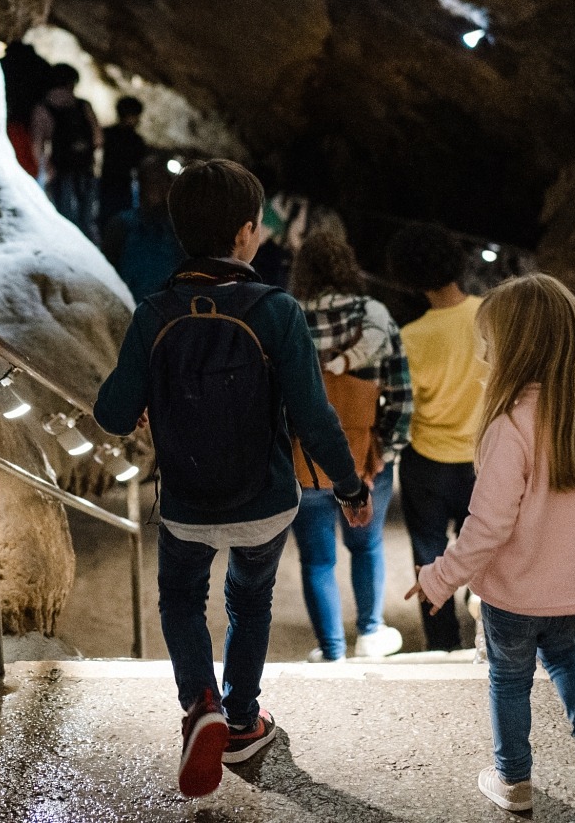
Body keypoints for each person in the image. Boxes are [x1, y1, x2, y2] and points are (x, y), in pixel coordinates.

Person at [94, 159, 371, 799]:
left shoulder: (154, 313)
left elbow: (110, 413)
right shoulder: (276, 311)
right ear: (247, 233)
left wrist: (142, 400)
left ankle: (201, 703)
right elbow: (315, 418)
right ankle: (243, 721)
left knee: (181, 598)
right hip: (266, 501)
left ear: (179, 231)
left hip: (187, 504)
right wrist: (350, 488)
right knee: (250, 600)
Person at [406, 273, 575, 812]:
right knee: (566, 657)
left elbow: (487, 528)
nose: (483, 352)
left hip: (513, 597)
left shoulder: (510, 427)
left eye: (488, 342)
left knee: (509, 681)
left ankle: (513, 781)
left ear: (515, 349)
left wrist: (438, 578)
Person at [287, 231, 412, 663]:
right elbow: (399, 392)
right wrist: (386, 451)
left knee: (316, 561)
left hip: (302, 459)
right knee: (366, 544)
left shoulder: (288, 317)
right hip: (364, 457)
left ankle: (331, 650)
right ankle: (371, 634)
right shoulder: (373, 316)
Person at [385, 222, 486, 652]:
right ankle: (491, 635)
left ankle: (442, 646)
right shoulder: (490, 316)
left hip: (426, 463)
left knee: (429, 559)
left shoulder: (409, 337)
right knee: (485, 554)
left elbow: (400, 407)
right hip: (485, 460)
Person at [30, 64, 102, 241]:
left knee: (63, 218)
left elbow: (38, 144)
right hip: (85, 169)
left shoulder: (43, 108)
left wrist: (45, 169)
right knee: (87, 219)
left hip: (60, 170)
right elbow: (98, 138)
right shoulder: (83, 105)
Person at [101, 156, 185, 300]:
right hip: (133, 307)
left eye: (161, 183)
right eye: (152, 183)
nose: (157, 190)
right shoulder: (122, 224)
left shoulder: (177, 229)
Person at [99, 96, 149, 229]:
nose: (138, 119)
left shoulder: (108, 134)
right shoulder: (133, 139)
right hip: (114, 184)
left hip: (117, 184)